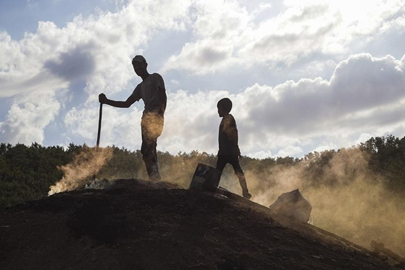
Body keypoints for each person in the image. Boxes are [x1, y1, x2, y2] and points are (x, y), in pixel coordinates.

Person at [99, 55, 167, 181]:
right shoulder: (140, 87)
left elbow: (163, 95)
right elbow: (126, 104)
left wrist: (161, 114)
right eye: (135, 66)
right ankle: (154, 178)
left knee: (149, 146)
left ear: (145, 65)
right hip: (146, 119)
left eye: (139, 65)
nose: (137, 68)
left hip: (156, 116)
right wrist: (106, 101)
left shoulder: (155, 77)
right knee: (145, 150)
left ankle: (155, 179)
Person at [216, 98, 252, 199]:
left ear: (223, 109)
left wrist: (236, 147)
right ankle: (245, 192)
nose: (218, 111)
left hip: (228, 152)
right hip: (226, 151)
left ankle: (245, 192)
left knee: (221, 171)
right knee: (235, 171)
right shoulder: (226, 119)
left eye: (219, 108)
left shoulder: (228, 118)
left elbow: (234, 133)